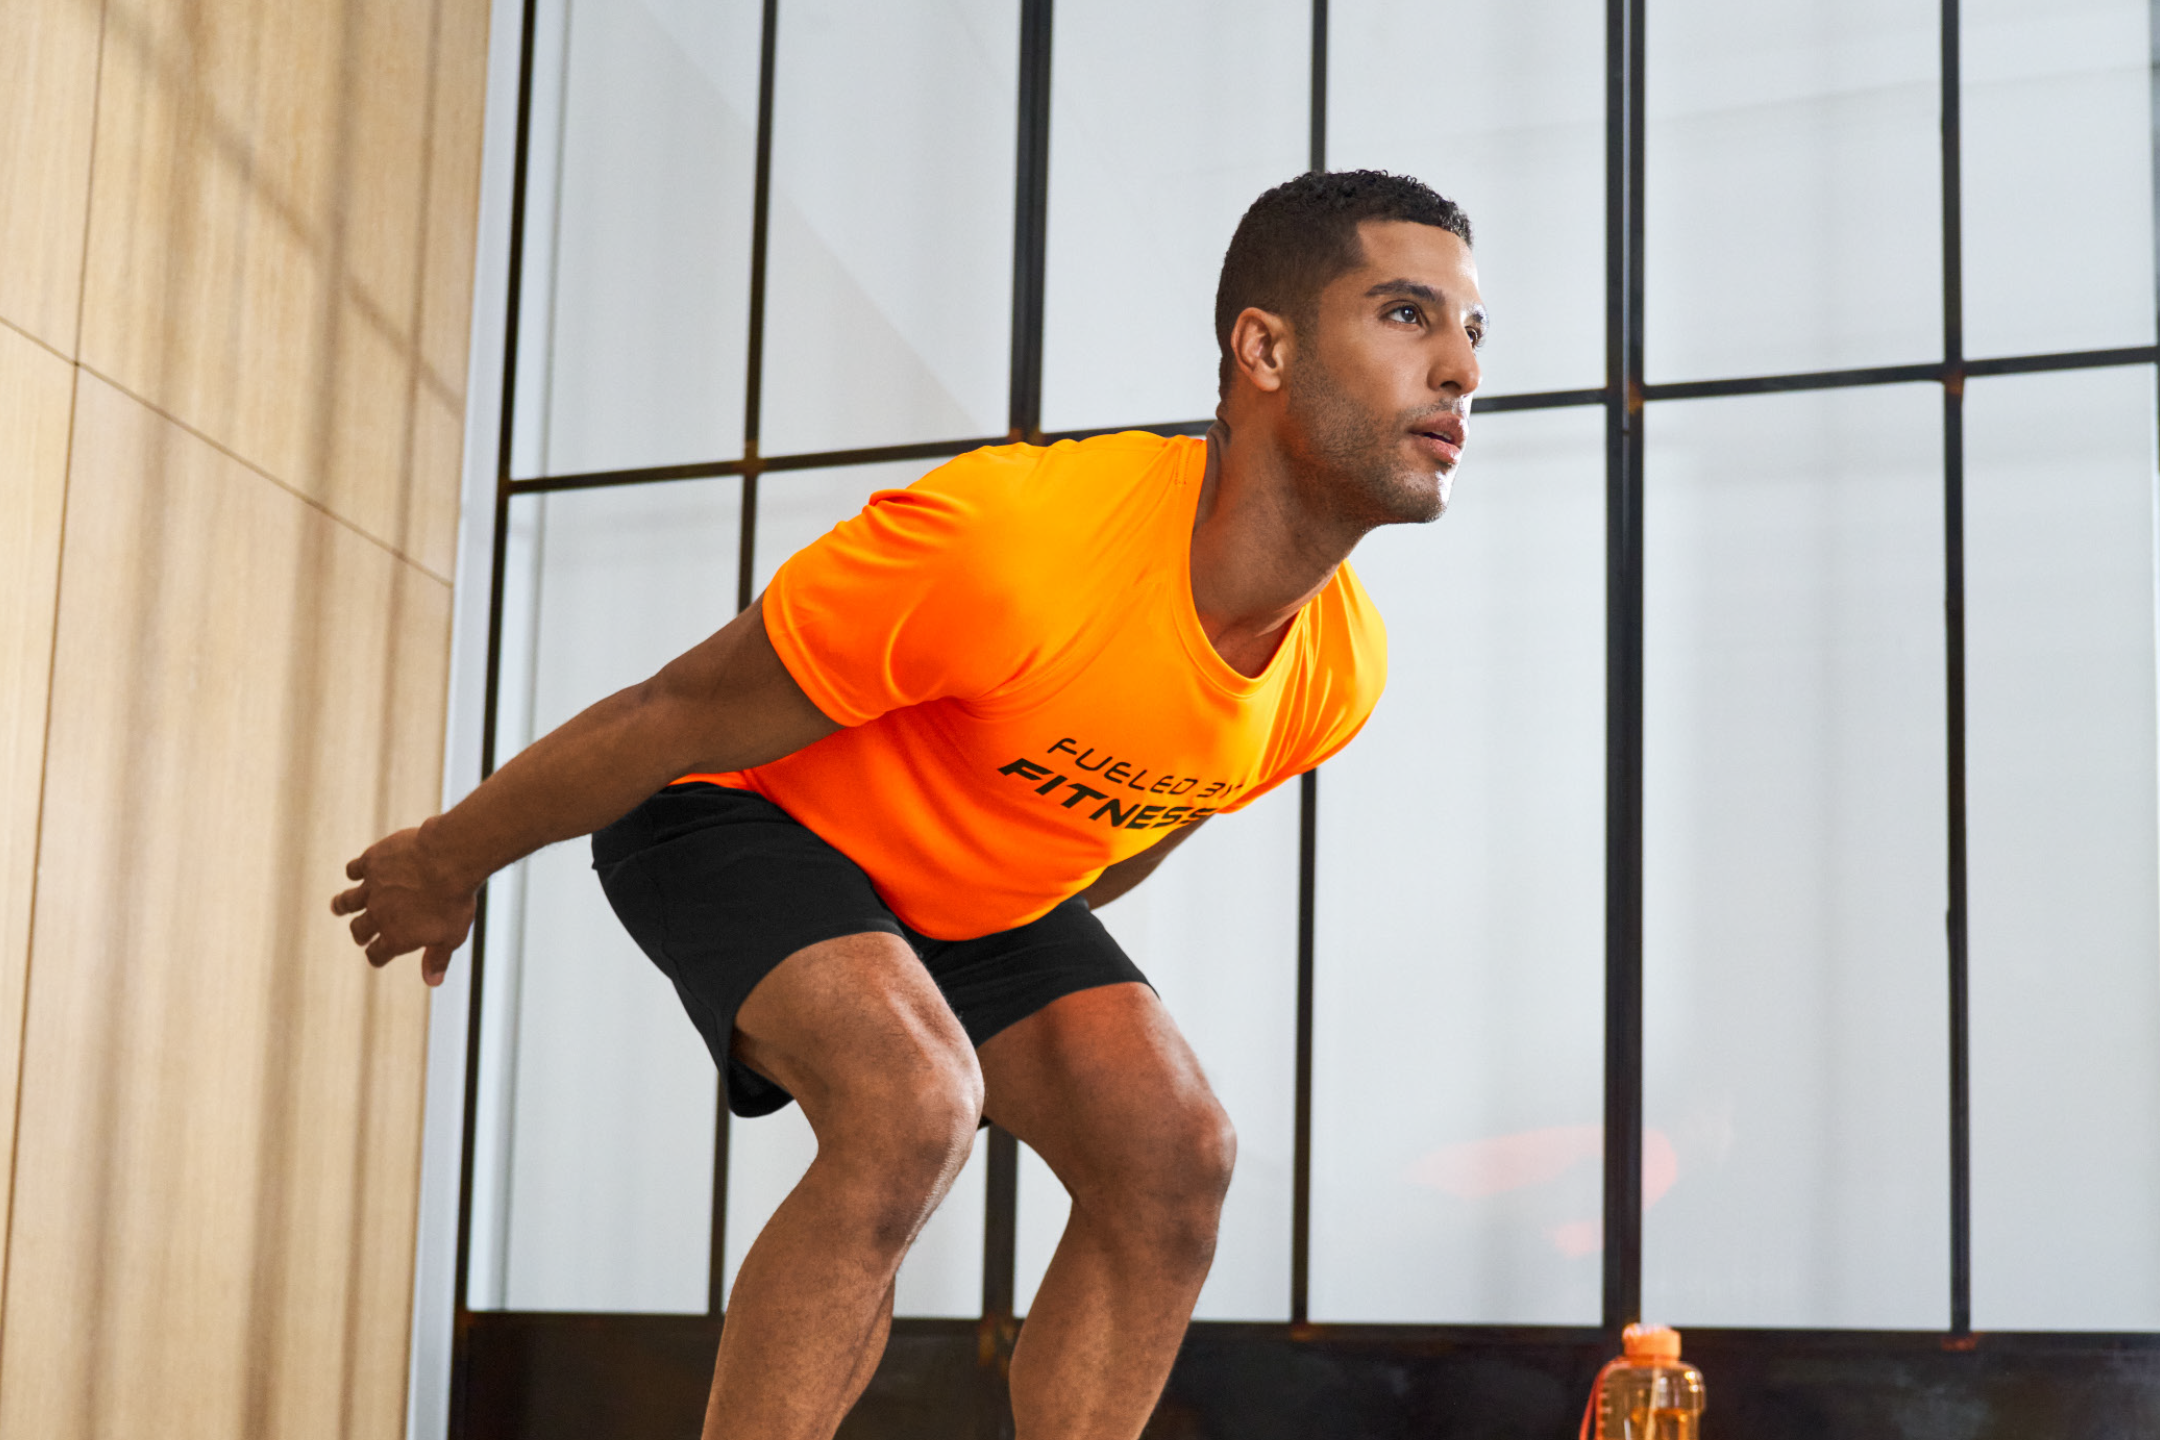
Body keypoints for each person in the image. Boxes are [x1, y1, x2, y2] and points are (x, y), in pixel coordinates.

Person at [333, 168, 1483, 1440]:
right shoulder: (1020, 545)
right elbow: (674, 712)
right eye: (1407, 315)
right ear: (1263, 349)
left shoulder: (1337, 669)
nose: (1463, 370)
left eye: (1473, 330)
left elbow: (1150, 818)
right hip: (737, 814)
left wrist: (969, 948)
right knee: (912, 1100)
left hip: (962, 892)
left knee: (1175, 1154)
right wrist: (445, 858)